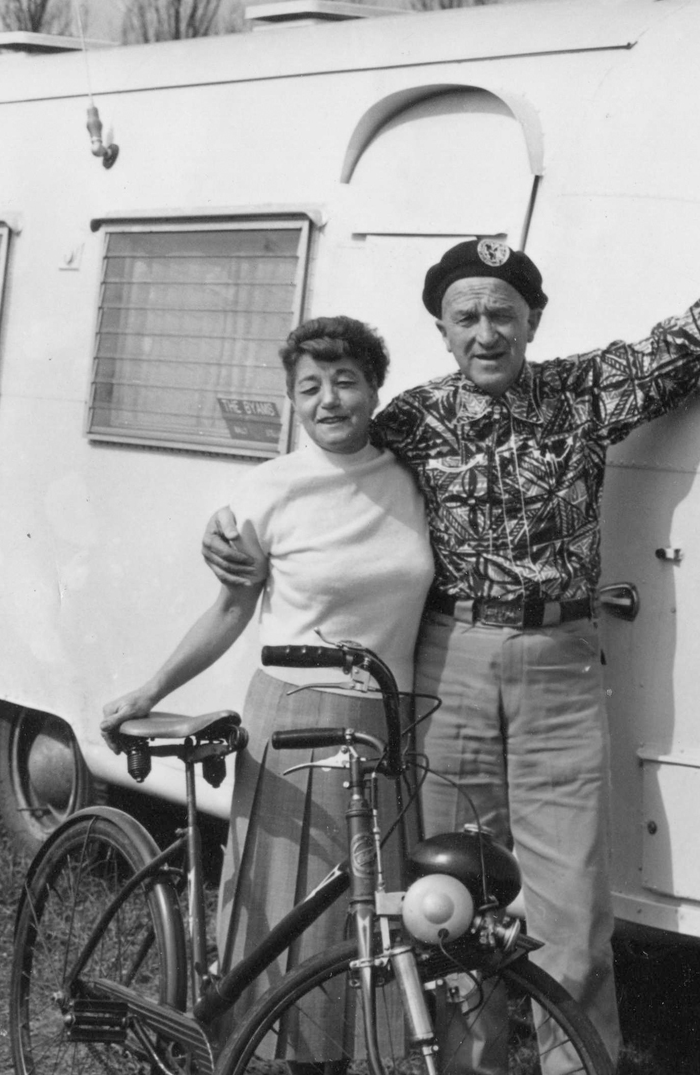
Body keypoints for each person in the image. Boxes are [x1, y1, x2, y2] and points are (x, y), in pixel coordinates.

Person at [206, 239, 700, 1071]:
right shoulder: (410, 420)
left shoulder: (584, 392)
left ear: (532, 320)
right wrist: (230, 538)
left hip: (559, 661)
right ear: (441, 329)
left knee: (571, 911)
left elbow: (689, 340)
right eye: (466, 317)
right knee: (448, 900)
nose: (486, 333)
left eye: (503, 314)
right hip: (448, 665)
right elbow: (321, 478)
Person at [105, 317, 433, 1058]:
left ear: (375, 389)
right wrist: (150, 686)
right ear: (291, 400)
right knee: (294, 920)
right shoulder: (267, 489)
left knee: (376, 918)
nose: (329, 400)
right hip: (298, 718)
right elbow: (229, 610)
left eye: (346, 381)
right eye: (309, 387)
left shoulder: (412, 480)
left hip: (390, 719)